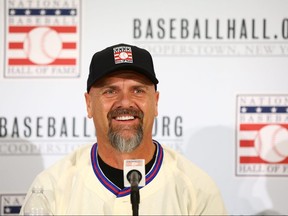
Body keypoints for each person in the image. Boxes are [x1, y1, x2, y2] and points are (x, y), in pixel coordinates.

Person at [20, 43, 227, 215]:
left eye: (138, 90)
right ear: (89, 104)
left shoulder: (197, 190)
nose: (125, 102)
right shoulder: (50, 189)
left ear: (155, 102)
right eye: (110, 91)